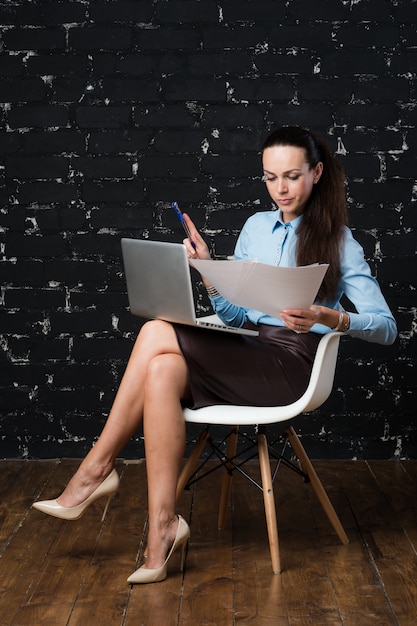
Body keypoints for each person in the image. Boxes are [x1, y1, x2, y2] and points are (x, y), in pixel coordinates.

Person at [33, 125, 397, 584]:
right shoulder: (255, 227)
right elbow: (235, 315)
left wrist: (333, 317)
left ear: (317, 172)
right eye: (269, 178)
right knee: (163, 367)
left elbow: (387, 328)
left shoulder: (341, 241)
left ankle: (93, 471)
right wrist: (207, 268)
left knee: (155, 331)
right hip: (252, 350)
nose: (280, 189)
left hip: (291, 368)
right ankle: (162, 531)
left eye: (291, 176)